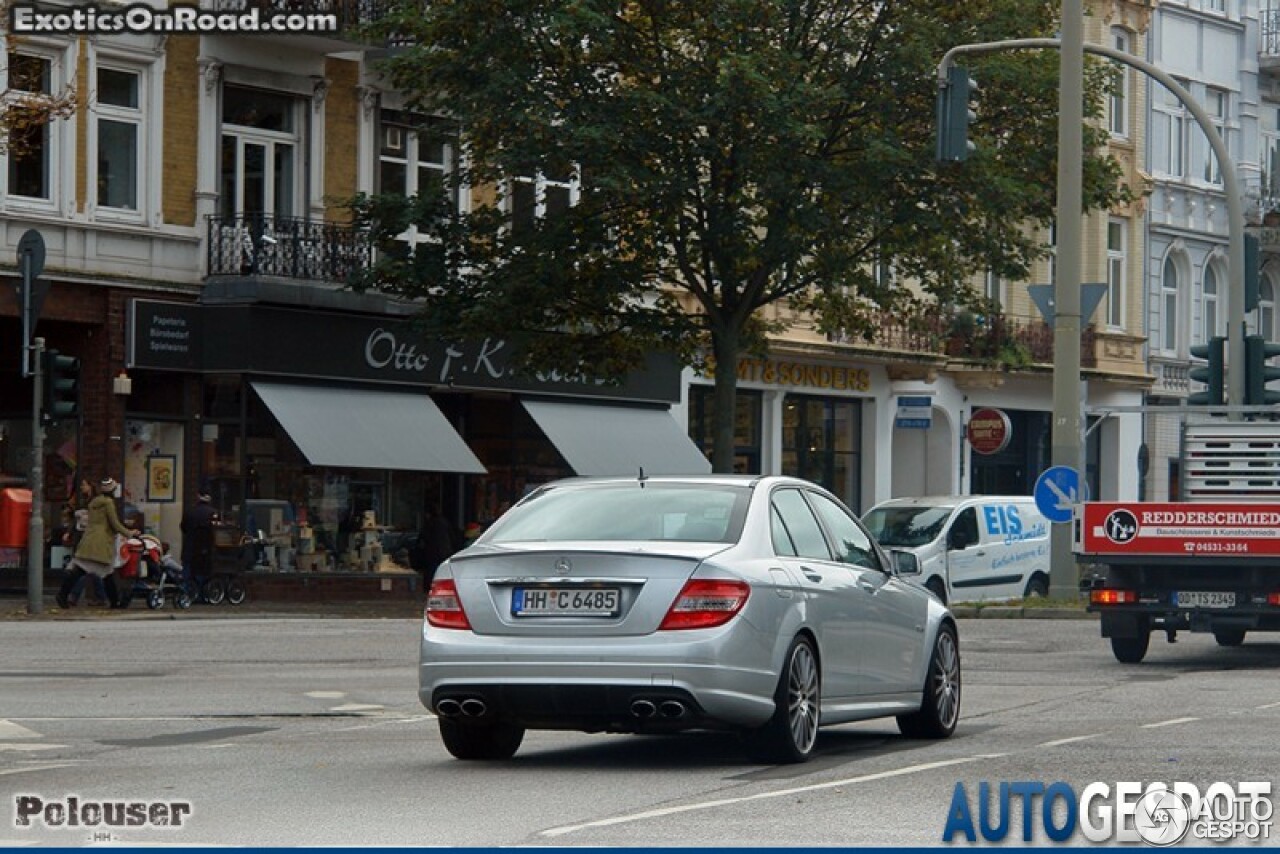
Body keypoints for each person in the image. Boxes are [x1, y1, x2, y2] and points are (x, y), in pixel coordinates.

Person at [56, 477, 138, 609]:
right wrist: (130, 533)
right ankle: (114, 601)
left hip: (90, 538)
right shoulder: (108, 503)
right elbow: (114, 523)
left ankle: (114, 600)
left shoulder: (94, 502)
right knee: (100, 572)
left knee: (95, 571)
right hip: (101, 541)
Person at [181, 490, 220, 597]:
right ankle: (202, 594)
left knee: (188, 572)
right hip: (204, 548)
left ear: (198, 497)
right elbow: (215, 530)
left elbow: (183, 527)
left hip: (189, 547)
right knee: (202, 572)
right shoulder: (212, 512)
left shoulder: (189, 511)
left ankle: (186, 593)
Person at [411, 503, 460, 583]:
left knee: (432, 574)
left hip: (433, 554)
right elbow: (453, 538)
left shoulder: (429, 524)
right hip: (445, 553)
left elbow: (422, 539)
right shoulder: (445, 522)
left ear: (428, 514)